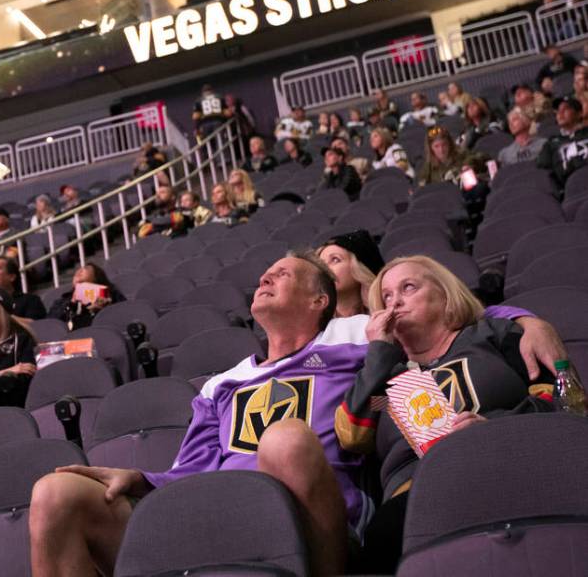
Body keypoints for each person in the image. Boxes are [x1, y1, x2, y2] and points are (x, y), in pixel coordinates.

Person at [28, 252, 565, 577]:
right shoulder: (221, 383)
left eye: (282, 274)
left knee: (284, 438)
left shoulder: (356, 336)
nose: (265, 278)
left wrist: (525, 319)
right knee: (56, 495)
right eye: (264, 274)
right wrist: (142, 478)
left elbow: (441, 321)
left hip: (310, 522)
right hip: (216, 517)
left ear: (319, 302)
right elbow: (191, 472)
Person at [337, 256, 558, 573]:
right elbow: (353, 434)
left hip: (508, 465)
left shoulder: (490, 335)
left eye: (408, 287)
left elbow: (563, 402)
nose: (395, 301)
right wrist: (380, 352)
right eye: (386, 297)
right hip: (416, 496)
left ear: (445, 293)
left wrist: (496, 428)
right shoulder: (384, 376)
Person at [317, 230, 384, 317]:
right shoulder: (313, 326)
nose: (324, 268)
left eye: (335, 259)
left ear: (360, 268)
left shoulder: (388, 317)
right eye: (321, 264)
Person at [47, 263, 124, 331]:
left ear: (96, 277)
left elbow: (123, 311)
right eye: (79, 269)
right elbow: (50, 324)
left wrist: (103, 308)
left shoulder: (108, 294)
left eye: (86, 268)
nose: (79, 271)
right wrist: (71, 304)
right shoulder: (61, 301)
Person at [536, 95, 588, 187]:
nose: (560, 113)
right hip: (571, 189)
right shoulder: (551, 143)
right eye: (558, 111)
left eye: (566, 109)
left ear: (579, 113)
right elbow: (544, 171)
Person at [417, 126, 487, 187]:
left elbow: (483, 157)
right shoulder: (428, 168)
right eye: (436, 146)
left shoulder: (461, 155)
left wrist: (468, 165)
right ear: (431, 149)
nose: (441, 150)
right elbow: (422, 188)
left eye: (444, 145)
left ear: (449, 144)